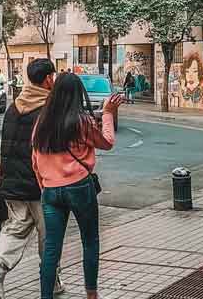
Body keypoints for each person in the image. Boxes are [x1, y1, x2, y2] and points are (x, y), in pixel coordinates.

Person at [32, 74, 122, 299]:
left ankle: (46, 296)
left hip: (50, 190)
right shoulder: (81, 122)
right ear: (77, 94)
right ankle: (91, 294)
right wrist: (109, 113)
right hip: (79, 187)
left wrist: (44, 185)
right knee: (89, 240)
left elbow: (35, 160)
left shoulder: (42, 122)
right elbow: (107, 142)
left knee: (52, 247)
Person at [0, 59, 65, 299]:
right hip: (41, 184)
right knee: (48, 234)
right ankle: (53, 280)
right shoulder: (49, 109)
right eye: (53, 76)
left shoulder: (13, 107)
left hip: (12, 182)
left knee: (15, 229)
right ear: (48, 79)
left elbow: (3, 144)